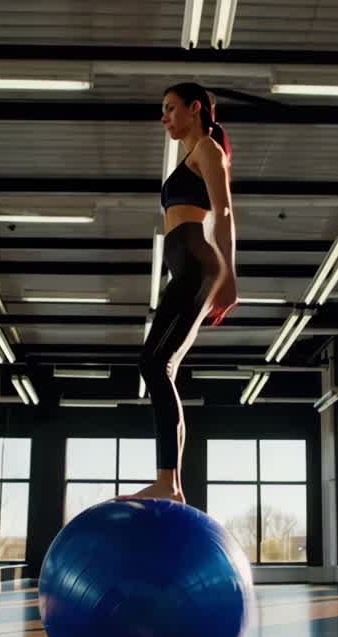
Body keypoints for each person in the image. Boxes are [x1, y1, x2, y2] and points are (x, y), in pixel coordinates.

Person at [123, 82, 238, 504]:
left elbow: (224, 212)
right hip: (187, 267)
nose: (164, 117)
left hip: (197, 265)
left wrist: (229, 276)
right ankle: (170, 483)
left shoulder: (208, 148)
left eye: (171, 108)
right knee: (159, 366)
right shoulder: (193, 155)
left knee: (154, 364)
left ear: (195, 108)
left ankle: (168, 483)